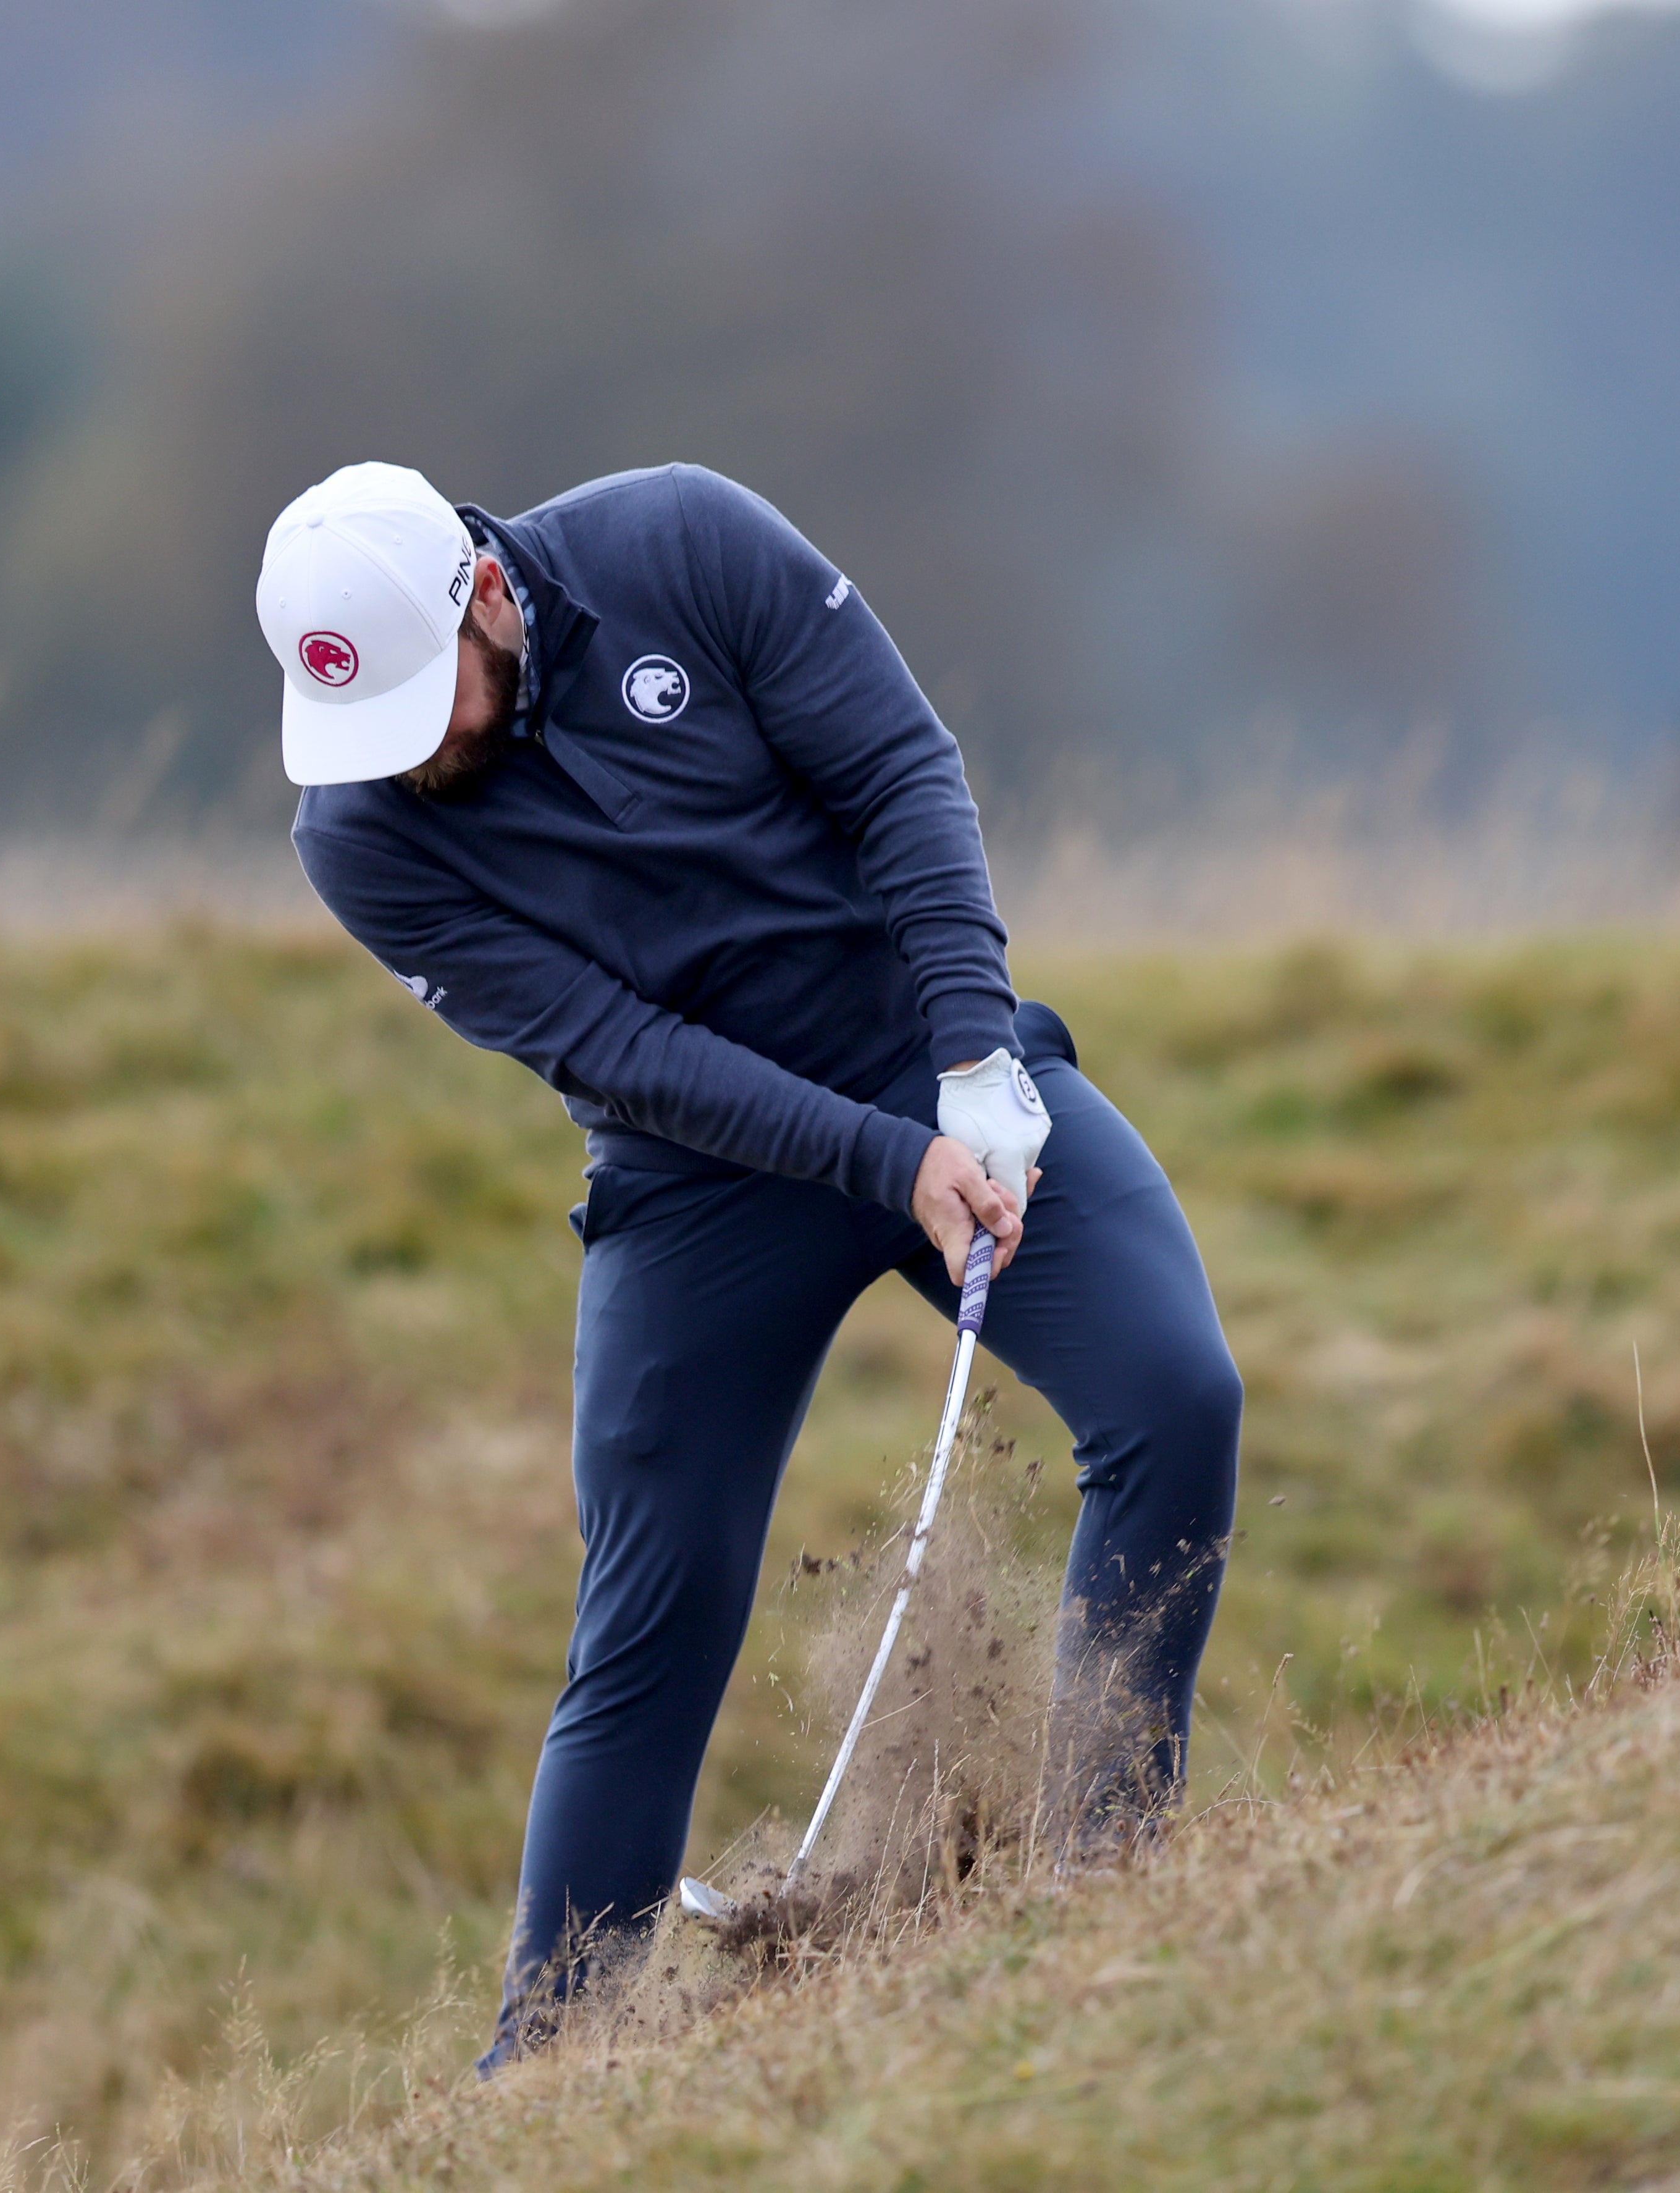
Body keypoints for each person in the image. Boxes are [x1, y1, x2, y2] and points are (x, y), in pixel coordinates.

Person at [252, 461, 1241, 2073]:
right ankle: (547, 2075)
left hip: (936, 1068)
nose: (414, 757)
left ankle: (1107, 1887)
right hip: (694, 1177)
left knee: (1178, 1399)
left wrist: (976, 1064)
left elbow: (900, 776)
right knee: (651, 1610)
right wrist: (879, 1163)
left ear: (486, 599)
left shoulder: (684, 547)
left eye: (431, 707)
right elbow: (618, 1048)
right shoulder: (360, 839)